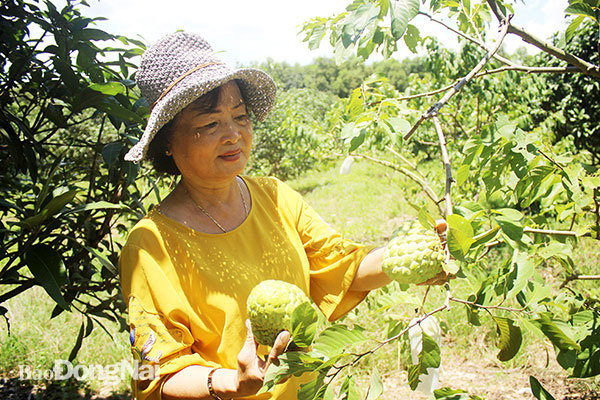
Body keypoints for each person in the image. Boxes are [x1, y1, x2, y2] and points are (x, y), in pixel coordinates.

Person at [119, 32, 445, 400]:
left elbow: (341, 267)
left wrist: (413, 256)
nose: (233, 135)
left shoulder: (273, 196)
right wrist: (228, 382)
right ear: (167, 140)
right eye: (210, 124)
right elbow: (156, 374)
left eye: (241, 117)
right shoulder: (151, 245)